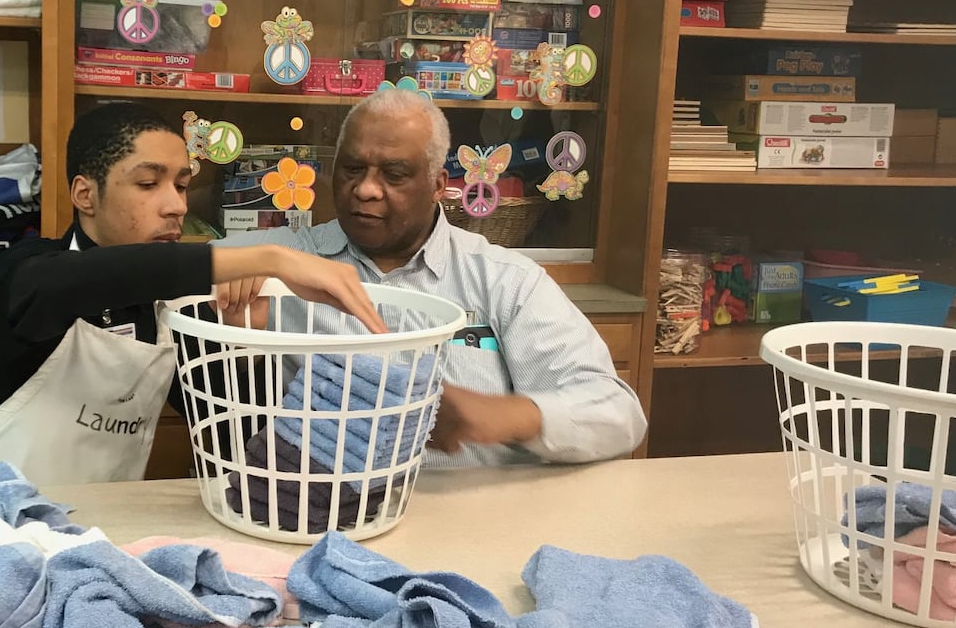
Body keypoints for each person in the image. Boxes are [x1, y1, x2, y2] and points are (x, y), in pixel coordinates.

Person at [0, 102, 386, 485]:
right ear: (85, 194)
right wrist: (270, 256)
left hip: (105, 540)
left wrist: (239, 345)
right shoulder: (24, 272)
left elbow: (235, 448)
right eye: (149, 183)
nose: (174, 206)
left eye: (182, 185)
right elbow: (84, 280)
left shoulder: (171, 312)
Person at [214, 88, 647, 466]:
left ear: (439, 185)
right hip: (325, 515)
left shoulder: (502, 279)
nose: (365, 189)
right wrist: (224, 283)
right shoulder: (279, 261)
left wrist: (502, 416)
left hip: (472, 520)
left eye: (394, 174)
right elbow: (156, 290)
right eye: (352, 169)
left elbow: (619, 415)